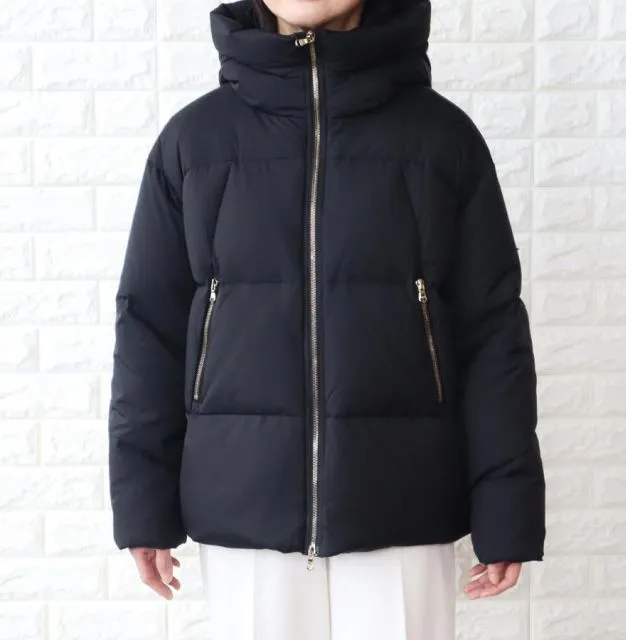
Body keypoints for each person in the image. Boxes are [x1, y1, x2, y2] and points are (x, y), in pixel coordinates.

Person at [107, 0, 546, 638]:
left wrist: (507, 509)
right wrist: (144, 505)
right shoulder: (194, 142)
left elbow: (493, 335)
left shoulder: (441, 139)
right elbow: (150, 329)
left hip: (401, 503)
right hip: (244, 508)